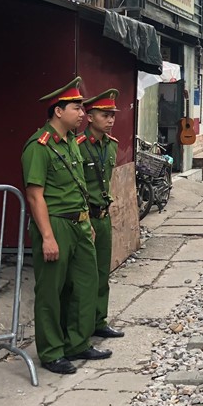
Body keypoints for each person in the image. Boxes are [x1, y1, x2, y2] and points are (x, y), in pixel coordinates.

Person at [22, 77, 111, 375]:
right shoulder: (39, 146)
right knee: (51, 290)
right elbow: (35, 196)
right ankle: (51, 352)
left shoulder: (72, 142)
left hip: (81, 225)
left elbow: (80, 186)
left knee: (85, 285)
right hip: (56, 225)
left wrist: (87, 219)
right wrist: (47, 236)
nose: (83, 113)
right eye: (77, 108)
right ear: (58, 111)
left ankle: (77, 342)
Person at [77, 89, 125, 340]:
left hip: (104, 217)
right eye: (105, 115)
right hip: (87, 218)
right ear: (89, 116)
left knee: (103, 273)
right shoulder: (79, 147)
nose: (110, 120)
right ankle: (82, 326)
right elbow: (78, 186)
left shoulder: (111, 146)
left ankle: (99, 320)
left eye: (112, 115)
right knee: (85, 275)